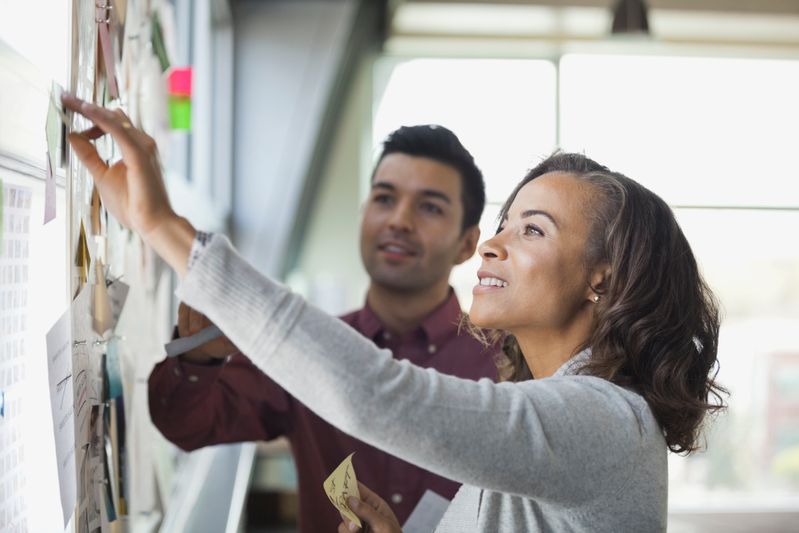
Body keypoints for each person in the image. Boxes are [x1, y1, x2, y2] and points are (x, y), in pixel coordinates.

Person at [63, 94, 726, 532]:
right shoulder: (564, 404)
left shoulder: (601, 419)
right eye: (504, 221)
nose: (495, 241)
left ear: (600, 281)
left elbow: (377, 396)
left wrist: (162, 227)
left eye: (533, 230)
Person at [148, 124, 499, 530]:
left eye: (430, 207)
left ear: (467, 243)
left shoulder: (505, 366)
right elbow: (186, 425)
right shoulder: (310, 347)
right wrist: (198, 355)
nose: (399, 220)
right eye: (384, 198)